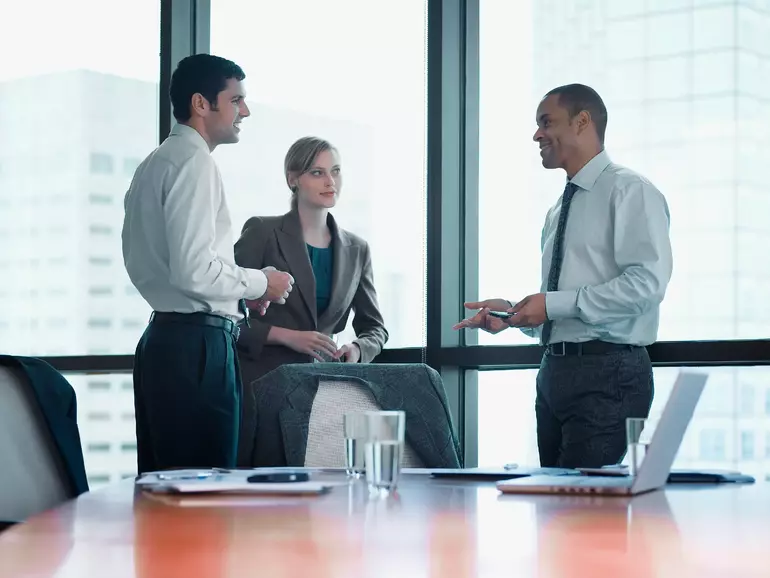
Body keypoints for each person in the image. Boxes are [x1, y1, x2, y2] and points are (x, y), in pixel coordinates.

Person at [454, 84, 673, 469]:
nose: (537, 134)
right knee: (554, 511)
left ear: (583, 121)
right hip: (554, 373)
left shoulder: (630, 191)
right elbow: (562, 305)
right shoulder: (558, 209)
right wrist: (514, 315)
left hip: (608, 376)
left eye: (546, 122)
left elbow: (646, 285)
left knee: (580, 512)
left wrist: (551, 304)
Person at [122, 54, 294, 474]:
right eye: (236, 100)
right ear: (202, 103)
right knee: (205, 495)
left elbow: (167, 268)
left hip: (165, 343)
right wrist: (261, 283)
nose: (245, 111)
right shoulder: (194, 162)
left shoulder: (155, 163)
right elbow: (194, 270)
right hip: (196, 350)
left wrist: (234, 297)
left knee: (167, 493)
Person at [234, 136, 389, 387]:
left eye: (336, 171)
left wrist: (358, 349)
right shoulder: (262, 232)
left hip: (325, 382)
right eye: (318, 172)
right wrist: (288, 337)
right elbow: (225, 315)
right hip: (261, 381)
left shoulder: (357, 249)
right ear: (292, 179)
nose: (331, 182)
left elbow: (375, 328)